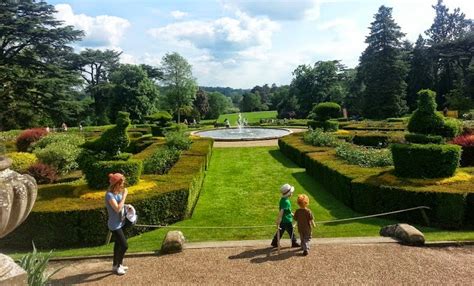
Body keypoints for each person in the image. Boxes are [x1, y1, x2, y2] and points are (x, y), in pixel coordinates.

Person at [105, 173, 131, 275]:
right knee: (124, 246)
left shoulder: (117, 193)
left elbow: (120, 206)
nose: (123, 184)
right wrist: (124, 196)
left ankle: (115, 265)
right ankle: (119, 266)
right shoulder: (109, 195)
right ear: (117, 183)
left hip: (121, 223)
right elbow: (116, 209)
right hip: (114, 226)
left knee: (118, 244)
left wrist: (127, 206)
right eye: (122, 182)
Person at [271, 184, 300, 248]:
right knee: (291, 231)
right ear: (289, 193)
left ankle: (274, 242)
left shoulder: (283, 200)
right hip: (286, 220)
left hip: (285, 219)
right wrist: (278, 219)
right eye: (291, 192)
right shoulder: (286, 202)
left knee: (281, 231)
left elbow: (288, 211)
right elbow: (282, 211)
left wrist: (293, 215)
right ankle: (294, 242)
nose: (292, 193)